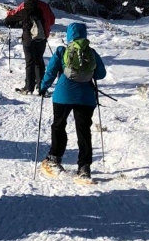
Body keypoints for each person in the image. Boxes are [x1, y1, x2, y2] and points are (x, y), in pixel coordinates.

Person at [38, 22, 107, 183]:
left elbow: (50, 71)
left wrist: (43, 87)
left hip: (63, 94)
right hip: (86, 97)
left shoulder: (62, 51)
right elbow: (101, 74)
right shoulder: (91, 52)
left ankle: (54, 158)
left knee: (59, 125)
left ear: (69, 35)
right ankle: (84, 168)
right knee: (83, 131)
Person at [4, 0, 55, 94]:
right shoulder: (44, 6)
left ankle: (28, 87)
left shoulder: (24, 6)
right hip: (41, 38)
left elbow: (12, 17)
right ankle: (41, 87)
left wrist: (9, 15)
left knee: (30, 62)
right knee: (39, 61)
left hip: (28, 38)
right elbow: (52, 20)